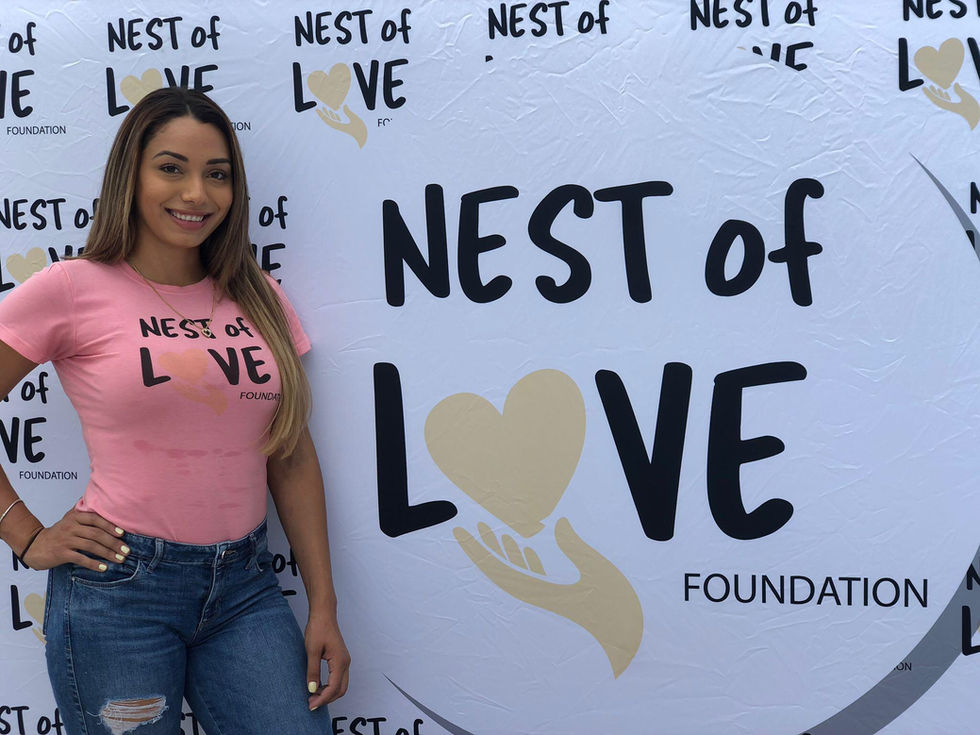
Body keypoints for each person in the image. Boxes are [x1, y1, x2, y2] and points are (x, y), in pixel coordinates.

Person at [0, 87, 349, 734]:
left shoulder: (257, 294)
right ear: (129, 176)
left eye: (217, 174)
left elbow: (291, 455)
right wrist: (25, 534)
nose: (196, 193)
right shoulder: (72, 288)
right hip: (117, 590)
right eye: (171, 168)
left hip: (245, 589)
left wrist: (323, 603)